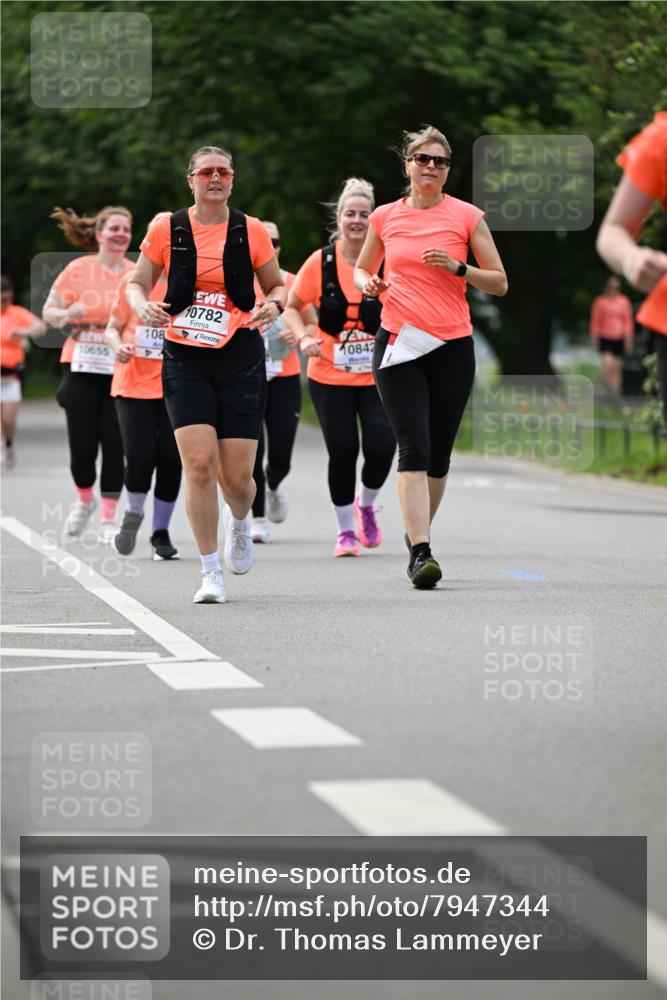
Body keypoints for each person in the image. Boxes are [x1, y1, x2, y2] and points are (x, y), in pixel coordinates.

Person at [126, 145, 286, 604]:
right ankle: (209, 571)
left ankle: (240, 521)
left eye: (224, 172)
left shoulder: (250, 229)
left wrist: (274, 305)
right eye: (206, 172)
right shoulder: (166, 228)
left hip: (239, 355)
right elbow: (137, 282)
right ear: (190, 179)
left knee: (237, 481)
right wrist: (142, 305)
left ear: (232, 180)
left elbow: (277, 285)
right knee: (198, 465)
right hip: (184, 357)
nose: (215, 178)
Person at [354, 125, 507, 588]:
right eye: (423, 159)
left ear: (447, 170)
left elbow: (499, 282)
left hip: (451, 344)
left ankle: (415, 531)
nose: (431, 168)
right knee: (414, 446)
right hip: (399, 340)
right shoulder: (385, 217)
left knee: (438, 453)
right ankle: (421, 551)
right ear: (408, 165)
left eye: (440, 162)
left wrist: (459, 267)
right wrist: (370, 285)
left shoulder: (466, 217)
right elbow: (363, 267)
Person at [284, 178, 396, 557]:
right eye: (350, 213)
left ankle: (365, 505)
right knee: (344, 448)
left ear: (375, 219)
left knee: (383, 446)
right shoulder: (320, 262)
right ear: (339, 217)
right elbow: (292, 306)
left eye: (365, 214)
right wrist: (304, 338)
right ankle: (345, 532)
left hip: (379, 373)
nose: (358, 220)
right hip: (329, 374)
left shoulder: (388, 259)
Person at [42, 206, 134, 541]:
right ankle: (84, 500)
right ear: (98, 234)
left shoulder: (135, 273)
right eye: (114, 229)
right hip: (80, 364)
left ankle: (109, 518)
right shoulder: (77, 269)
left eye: (126, 229)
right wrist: (68, 313)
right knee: (82, 446)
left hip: (121, 365)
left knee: (115, 442)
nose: (121, 234)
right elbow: (48, 314)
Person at [105, 214, 182, 560]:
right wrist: (116, 346)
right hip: (133, 385)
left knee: (171, 459)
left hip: (176, 386)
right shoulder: (131, 283)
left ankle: (161, 532)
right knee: (139, 457)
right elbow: (111, 327)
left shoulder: (190, 284)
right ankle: (134, 513)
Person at [596, 111, 667, 420]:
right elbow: (614, 229)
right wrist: (632, 260)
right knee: (610, 365)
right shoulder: (662, 138)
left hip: (622, 333)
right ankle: (612, 398)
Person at [250, 220, 315, 543]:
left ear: (279, 247)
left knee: (280, 457)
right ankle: (257, 517)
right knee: (251, 449)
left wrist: (300, 333)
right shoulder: (236, 280)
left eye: (274, 241)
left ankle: (273, 484)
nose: (270, 247)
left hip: (284, 377)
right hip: (247, 378)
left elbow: (314, 323)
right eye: (264, 241)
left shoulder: (290, 281)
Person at [0, 275, 47, 468]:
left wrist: (22, 332)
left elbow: (40, 327)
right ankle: (3, 447)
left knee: (8, 420)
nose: (5, 302)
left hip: (12, 375)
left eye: (7, 298)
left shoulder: (17, 313)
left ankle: (9, 443)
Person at [589, 275, 634, 396]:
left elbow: (628, 321)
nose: (615, 289)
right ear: (607, 287)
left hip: (619, 337)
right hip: (605, 337)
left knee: (617, 368)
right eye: (612, 286)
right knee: (607, 365)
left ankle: (615, 395)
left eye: (617, 287)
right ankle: (605, 391)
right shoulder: (600, 302)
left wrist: (628, 339)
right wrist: (594, 339)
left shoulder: (624, 301)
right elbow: (595, 322)